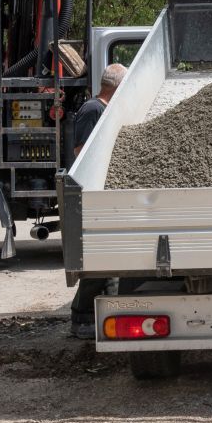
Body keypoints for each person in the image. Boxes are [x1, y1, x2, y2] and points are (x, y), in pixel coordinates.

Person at [69, 63, 127, 339]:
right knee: (97, 264)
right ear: (115, 86)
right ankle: (81, 319)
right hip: (91, 193)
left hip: (102, 193)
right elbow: (81, 150)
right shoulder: (93, 109)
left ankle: (101, 316)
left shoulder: (103, 110)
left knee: (110, 265)